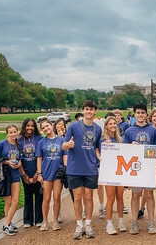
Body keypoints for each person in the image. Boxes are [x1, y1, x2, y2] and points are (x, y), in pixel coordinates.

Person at [62, 100, 102, 239]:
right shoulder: (73, 126)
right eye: (86, 109)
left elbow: (97, 147)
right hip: (75, 168)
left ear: (95, 111)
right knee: (78, 197)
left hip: (90, 167)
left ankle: (89, 225)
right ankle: (79, 225)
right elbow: (63, 146)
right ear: (83, 110)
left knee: (89, 197)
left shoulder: (98, 129)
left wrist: (99, 155)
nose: (89, 111)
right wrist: (68, 144)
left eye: (91, 109)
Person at [123, 102, 156, 235]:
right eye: (138, 112)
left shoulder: (153, 130)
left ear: (146, 114)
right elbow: (124, 151)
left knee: (149, 194)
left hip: (149, 167)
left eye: (143, 112)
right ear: (134, 114)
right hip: (135, 168)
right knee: (135, 195)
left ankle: (151, 222)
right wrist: (130, 146)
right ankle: (134, 222)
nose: (140, 115)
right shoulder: (129, 131)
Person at [36, 119, 67, 231]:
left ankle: (55, 220)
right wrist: (39, 173)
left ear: (52, 125)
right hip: (46, 173)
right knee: (47, 198)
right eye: (43, 127)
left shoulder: (61, 140)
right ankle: (45, 221)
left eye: (47, 126)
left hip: (58, 173)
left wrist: (65, 169)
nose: (46, 128)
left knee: (57, 197)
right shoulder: (41, 142)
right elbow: (39, 159)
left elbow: (65, 156)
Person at [0, 124, 22, 235]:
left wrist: (18, 163)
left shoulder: (18, 144)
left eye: (15, 132)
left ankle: (7, 224)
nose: (13, 134)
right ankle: (7, 224)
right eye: (11, 132)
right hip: (5, 176)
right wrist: (6, 162)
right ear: (7, 133)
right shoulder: (2, 144)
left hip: (15, 175)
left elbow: (20, 158)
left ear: (17, 132)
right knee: (8, 201)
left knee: (15, 201)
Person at [100, 116, 127, 235]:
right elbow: (99, 155)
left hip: (119, 172)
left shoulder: (120, 140)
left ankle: (121, 222)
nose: (112, 125)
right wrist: (104, 147)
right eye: (110, 124)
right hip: (109, 172)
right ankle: (109, 224)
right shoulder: (102, 140)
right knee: (110, 198)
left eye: (114, 123)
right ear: (106, 126)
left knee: (120, 198)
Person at [18, 118, 44, 228]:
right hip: (25, 173)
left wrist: (38, 173)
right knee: (28, 196)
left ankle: (39, 219)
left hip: (37, 173)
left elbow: (42, 157)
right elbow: (18, 159)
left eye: (32, 126)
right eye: (28, 126)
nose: (30, 128)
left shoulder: (39, 139)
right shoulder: (19, 140)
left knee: (39, 196)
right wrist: (24, 175)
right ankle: (27, 220)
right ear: (24, 126)